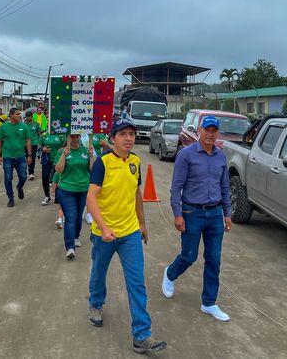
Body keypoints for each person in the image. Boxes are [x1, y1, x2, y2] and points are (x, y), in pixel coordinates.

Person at [86, 119, 167, 354]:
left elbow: (136, 193)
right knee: (99, 272)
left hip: (130, 232)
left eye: (132, 134)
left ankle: (141, 335)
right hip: (104, 234)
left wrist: (142, 223)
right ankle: (95, 303)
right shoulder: (102, 163)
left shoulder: (135, 161)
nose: (129, 138)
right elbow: (91, 198)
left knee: (136, 282)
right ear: (113, 138)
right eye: (123, 134)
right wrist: (103, 227)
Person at [161, 116, 232, 322]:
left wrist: (227, 213)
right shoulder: (186, 154)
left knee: (214, 259)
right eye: (206, 130)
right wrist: (177, 214)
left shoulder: (221, 156)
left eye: (214, 130)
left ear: (218, 133)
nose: (210, 134)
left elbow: (224, 186)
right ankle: (170, 274)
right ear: (199, 131)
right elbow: (176, 187)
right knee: (189, 256)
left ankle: (209, 302)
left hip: (215, 214)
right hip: (192, 213)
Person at [55, 134, 94, 259]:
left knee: (78, 216)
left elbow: (92, 169)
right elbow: (58, 170)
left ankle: (76, 236)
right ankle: (70, 247)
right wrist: (63, 156)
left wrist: (91, 155)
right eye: (72, 137)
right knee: (70, 217)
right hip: (66, 190)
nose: (75, 139)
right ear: (67, 138)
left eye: (77, 136)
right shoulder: (62, 151)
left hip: (83, 190)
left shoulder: (86, 151)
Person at [0, 108, 32, 207]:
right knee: (8, 178)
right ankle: (10, 198)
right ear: (11, 115)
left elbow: (28, 141)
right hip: (8, 157)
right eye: (17, 114)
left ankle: (19, 187)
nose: (20, 115)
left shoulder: (24, 126)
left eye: (20, 113)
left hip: (21, 157)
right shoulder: (4, 127)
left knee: (23, 177)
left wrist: (29, 155)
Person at [40, 132, 65, 207]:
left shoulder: (62, 135)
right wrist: (43, 149)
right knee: (45, 177)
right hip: (47, 160)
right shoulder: (44, 135)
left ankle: (57, 196)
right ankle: (47, 196)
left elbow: (66, 146)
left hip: (58, 160)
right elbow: (40, 147)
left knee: (57, 178)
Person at [24, 111, 41, 180]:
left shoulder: (36, 124)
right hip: (24, 144)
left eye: (29, 116)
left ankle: (31, 173)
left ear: (31, 117)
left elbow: (39, 134)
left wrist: (39, 143)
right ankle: (25, 172)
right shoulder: (23, 124)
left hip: (34, 143)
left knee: (32, 158)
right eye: (26, 116)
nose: (28, 118)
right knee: (25, 158)